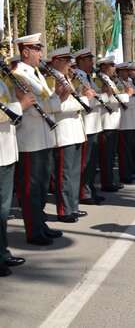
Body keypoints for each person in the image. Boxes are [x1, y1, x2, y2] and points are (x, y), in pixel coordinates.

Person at [12, 34, 70, 245]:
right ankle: (33, 231)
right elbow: (36, 107)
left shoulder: (37, 74)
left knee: (42, 186)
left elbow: (49, 101)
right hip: (30, 140)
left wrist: (59, 97)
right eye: (37, 49)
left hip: (44, 138)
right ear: (25, 52)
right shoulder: (19, 75)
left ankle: (41, 225)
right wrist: (56, 101)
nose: (40, 53)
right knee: (31, 188)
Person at [48, 47, 91, 223]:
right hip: (64, 132)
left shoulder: (66, 78)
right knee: (65, 174)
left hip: (75, 131)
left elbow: (71, 100)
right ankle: (64, 210)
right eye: (66, 61)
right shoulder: (51, 79)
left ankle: (73, 207)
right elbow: (56, 107)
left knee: (74, 173)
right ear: (56, 61)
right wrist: (84, 101)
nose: (69, 64)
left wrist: (82, 94)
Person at [0, 56, 35, 276]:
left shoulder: (2, 81)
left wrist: (19, 95)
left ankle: (2, 252)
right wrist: (20, 105)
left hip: (6, 151)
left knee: (3, 210)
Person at [73, 48, 105, 205]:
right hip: (86, 125)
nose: (92, 63)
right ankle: (84, 192)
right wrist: (91, 96)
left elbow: (96, 94)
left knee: (92, 163)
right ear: (81, 61)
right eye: (89, 60)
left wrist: (100, 93)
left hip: (94, 124)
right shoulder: (77, 77)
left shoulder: (88, 77)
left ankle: (91, 189)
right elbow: (79, 98)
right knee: (86, 162)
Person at [97, 56, 129, 192]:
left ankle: (110, 180)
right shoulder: (100, 79)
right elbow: (108, 99)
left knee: (111, 155)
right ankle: (107, 182)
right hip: (107, 122)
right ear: (104, 66)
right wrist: (127, 95)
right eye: (112, 65)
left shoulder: (108, 79)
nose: (114, 68)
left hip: (113, 121)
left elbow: (113, 96)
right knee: (107, 156)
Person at [115, 62, 135, 185]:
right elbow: (124, 101)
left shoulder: (129, 82)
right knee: (125, 150)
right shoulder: (118, 84)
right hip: (125, 121)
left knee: (131, 148)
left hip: (133, 120)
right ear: (119, 72)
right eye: (124, 71)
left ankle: (130, 170)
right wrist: (130, 95)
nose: (127, 73)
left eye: (127, 71)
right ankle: (125, 174)